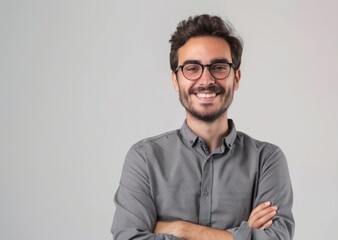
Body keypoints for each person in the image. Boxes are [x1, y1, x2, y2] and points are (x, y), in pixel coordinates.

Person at [111, 14, 294, 240]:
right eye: (192, 68)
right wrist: (241, 235)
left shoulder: (267, 159)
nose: (206, 80)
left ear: (235, 78)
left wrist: (182, 230)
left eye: (218, 67)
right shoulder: (145, 158)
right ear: (175, 80)